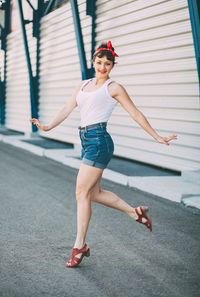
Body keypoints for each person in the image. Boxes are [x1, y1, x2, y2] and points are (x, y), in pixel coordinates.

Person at [30, 40, 177, 268]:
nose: (102, 67)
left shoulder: (114, 88)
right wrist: (48, 127)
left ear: (112, 67)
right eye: (99, 62)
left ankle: (80, 246)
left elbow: (136, 114)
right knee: (93, 194)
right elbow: (67, 108)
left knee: (81, 193)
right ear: (93, 61)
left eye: (107, 64)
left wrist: (157, 137)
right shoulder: (83, 85)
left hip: (99, 140)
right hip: (86, 140)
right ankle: (134, 212)